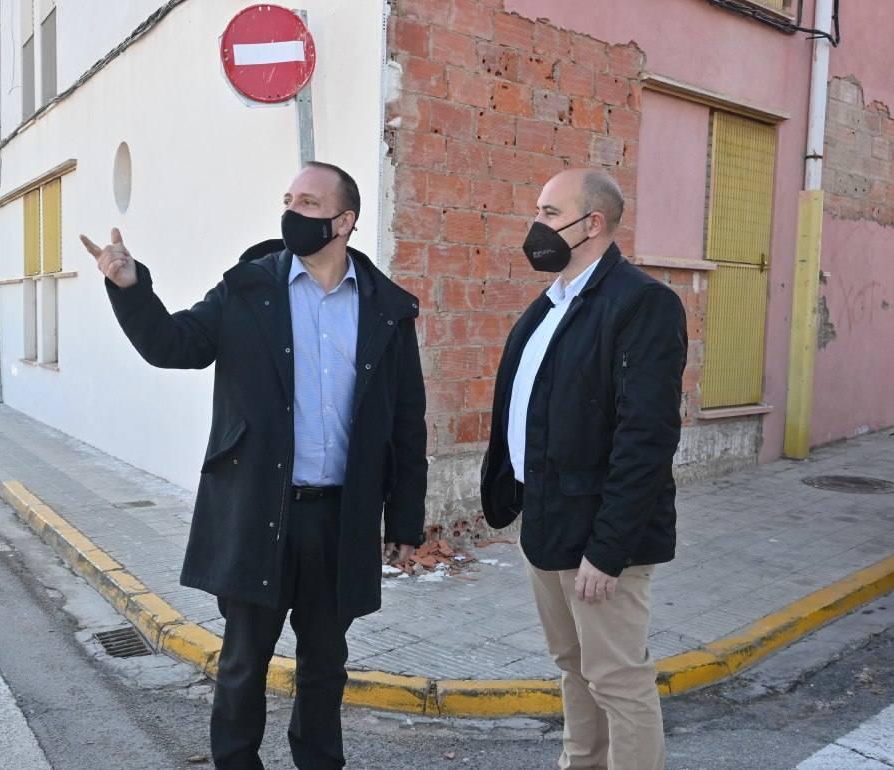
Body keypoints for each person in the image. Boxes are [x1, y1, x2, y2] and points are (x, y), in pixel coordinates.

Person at [81, 161, 427, 770]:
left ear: (344, 221)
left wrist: (403, 523)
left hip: (339, 518)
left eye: (310, 203)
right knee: (244, 662)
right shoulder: (247, 291)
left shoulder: (385, 310)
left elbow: (405, 421)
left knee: (325, 664)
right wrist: (130, 288)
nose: (293, 212)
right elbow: (173, 345)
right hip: (260, 510)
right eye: (288, 198)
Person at [481, 168, 686, 770]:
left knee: (618, 680)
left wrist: (608, 550)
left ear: (591, 223)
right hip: (545, 522)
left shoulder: (641, 303)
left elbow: (646, 440)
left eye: (549, 213)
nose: (536, 226)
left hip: (599, 539)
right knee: (573, 669)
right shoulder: (553, 303)